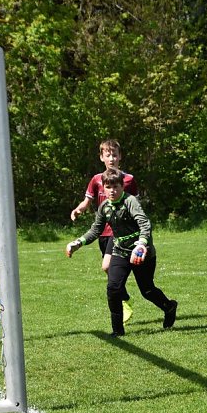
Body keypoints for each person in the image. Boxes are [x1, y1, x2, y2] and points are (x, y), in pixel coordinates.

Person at [66, 168, 177, 336]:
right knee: (113, 288)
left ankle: (169, 307)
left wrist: (141, 245)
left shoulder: (130, 201)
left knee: (147, 290)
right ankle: (118, 331)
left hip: (141, 252)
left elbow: (145, 224)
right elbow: (95, 230)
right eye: (108, 187)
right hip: (120, 251)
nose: (112, 190)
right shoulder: (104, 206)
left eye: (116, 187)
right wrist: (78, 243)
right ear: (103, 188)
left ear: (122, 187)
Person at [70, 139, 138, 322]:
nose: (111, 158)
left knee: (107, 266)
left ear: (120, 156)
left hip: (120, 233)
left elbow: (135, 205)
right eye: (107, 155)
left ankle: (123, 301)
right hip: (103, 233)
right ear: (101, 158)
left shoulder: (129, 179)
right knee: (109, 269)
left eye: (114, 154)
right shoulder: (96, 180)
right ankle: (123, 298)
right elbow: (87, 201)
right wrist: (78, 210)